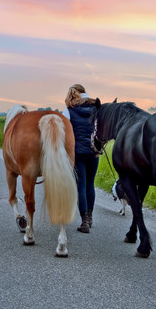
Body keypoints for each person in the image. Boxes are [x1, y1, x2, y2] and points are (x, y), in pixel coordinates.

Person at [65, 83, 99, 233]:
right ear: (84, 92)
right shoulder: (97, 108)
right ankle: (90, 218)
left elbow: (64, 133)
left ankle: (84, 221)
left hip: (77, 153)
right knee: (91, 185)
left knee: (81, 186)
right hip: (94, 152)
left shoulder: (69, 111)